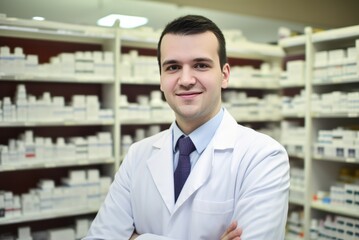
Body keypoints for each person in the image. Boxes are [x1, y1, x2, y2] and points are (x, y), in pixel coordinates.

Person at [84, 15, 290, 240]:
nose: (186, 79)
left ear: (224, 75)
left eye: (200, 65)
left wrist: (136, 238)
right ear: (161, 79)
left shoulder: (264, 156)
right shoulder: (137, 155)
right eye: (172, 67)